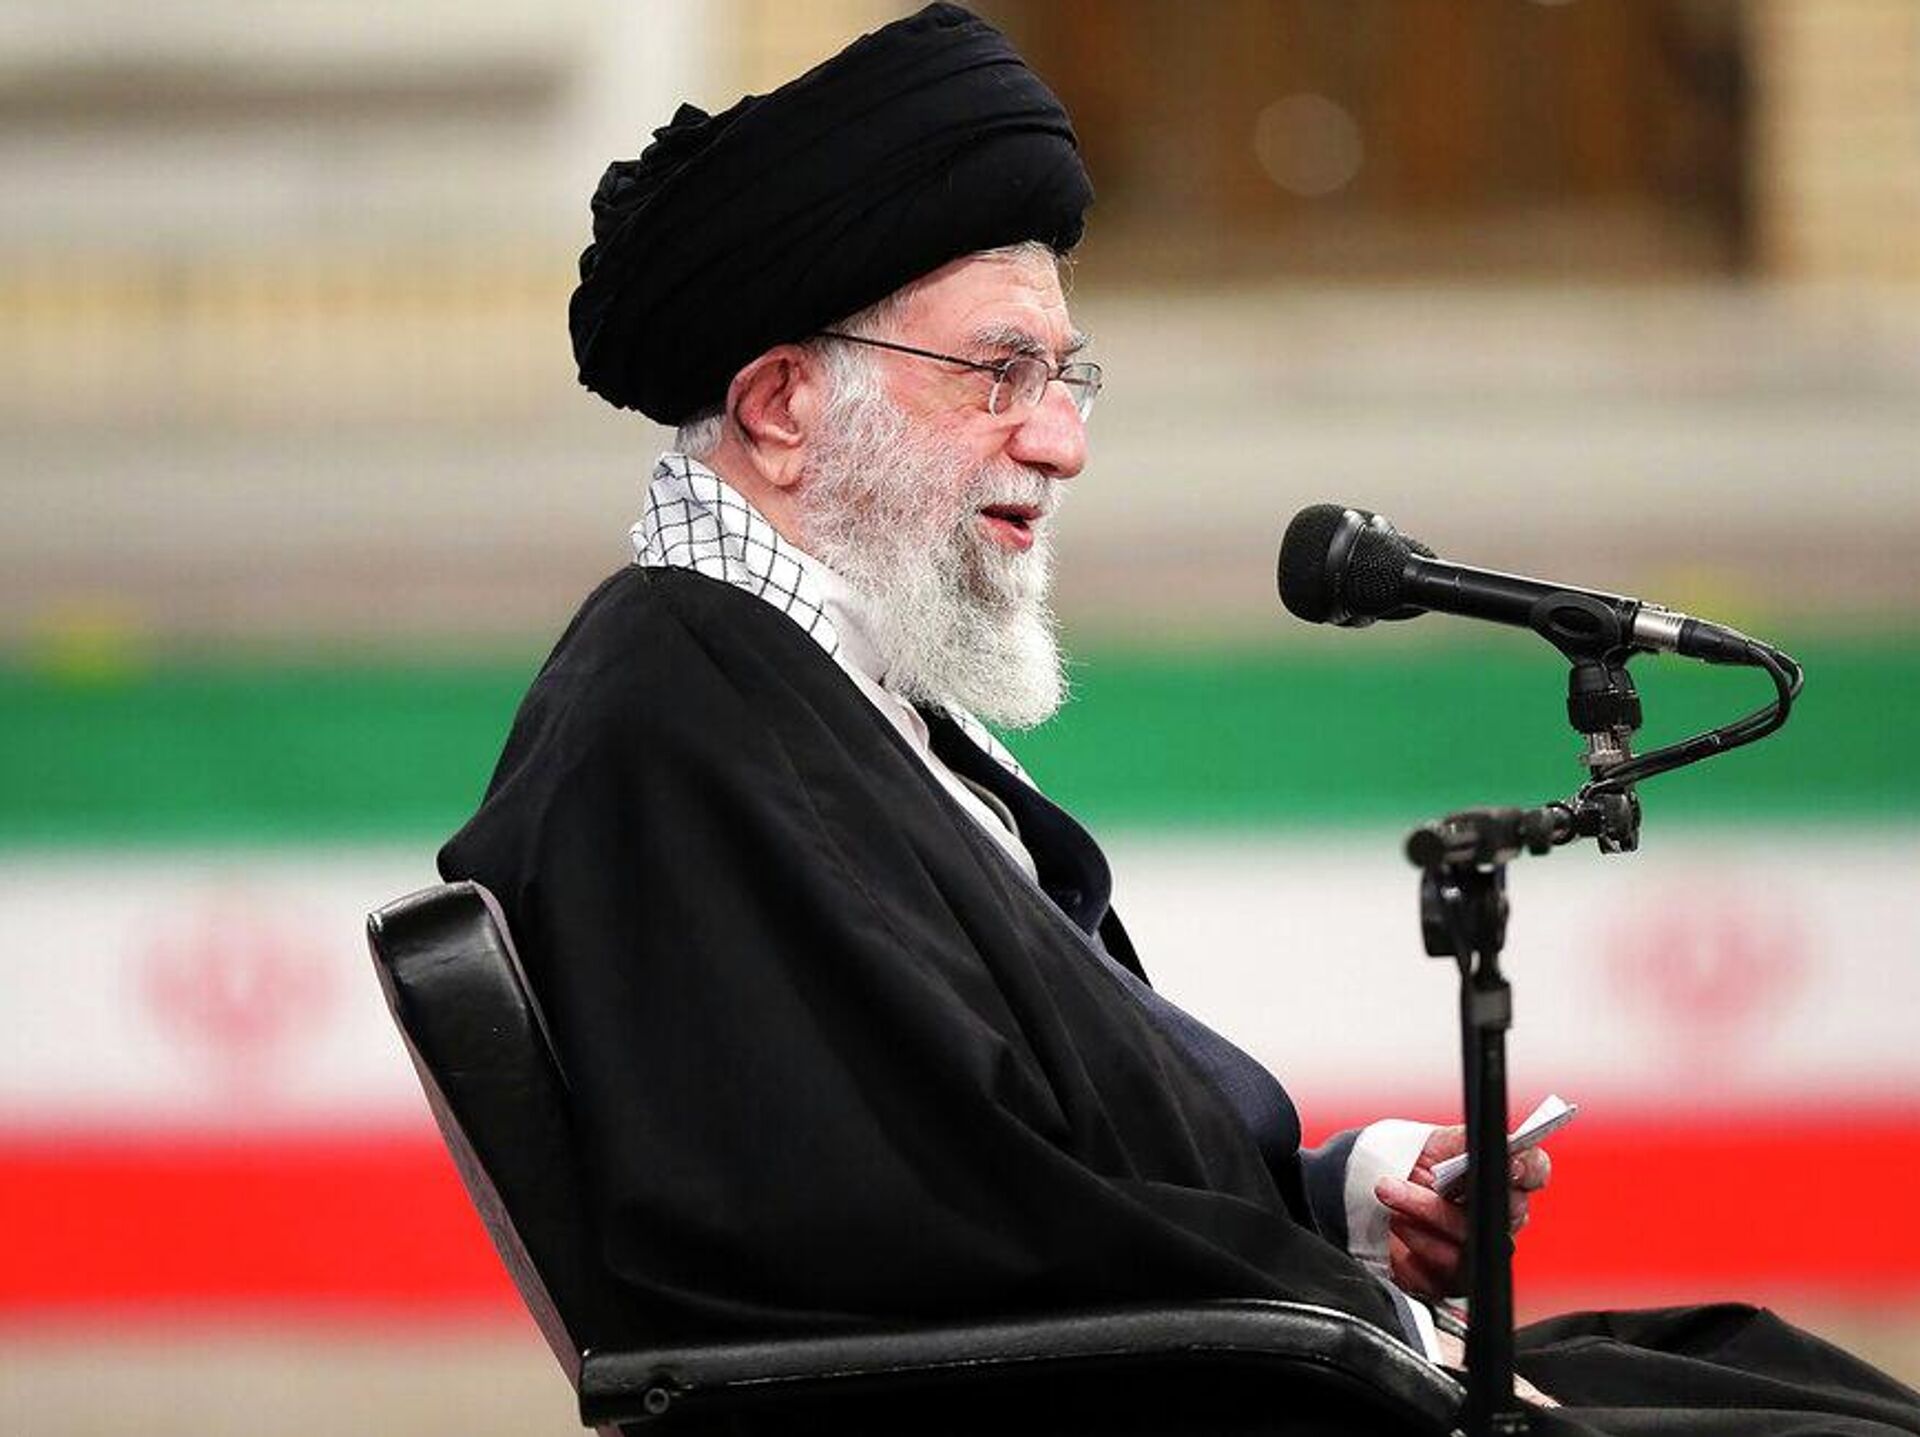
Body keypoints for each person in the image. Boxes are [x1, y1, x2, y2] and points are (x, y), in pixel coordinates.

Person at [440, 7, 1920, 1433]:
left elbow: (1022, 1170)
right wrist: (1383, 1346)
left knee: (1756, 1362)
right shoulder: (684, 720)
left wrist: (1333, 1201)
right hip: (1188, 1391)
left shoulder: (793, 679)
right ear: (779, 407)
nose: (1062, 443)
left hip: (1220, 1357)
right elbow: (919, 1248)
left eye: (1066, 377)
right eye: (999, 374)